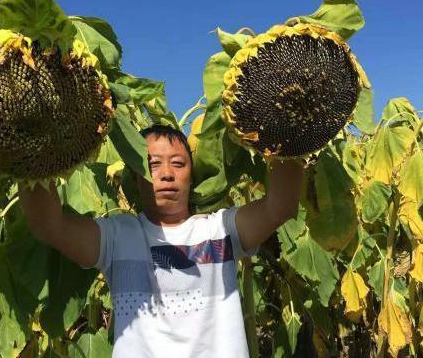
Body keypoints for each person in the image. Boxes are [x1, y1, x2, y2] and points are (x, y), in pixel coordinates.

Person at [18, 124, 304, 358]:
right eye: (153, 164)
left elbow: (280, 206)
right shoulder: (118, 237)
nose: (167, 174)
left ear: (191, 176)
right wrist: (30, 140)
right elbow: (48, 225)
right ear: (136, 174)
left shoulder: (220, 231)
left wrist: (286, 121)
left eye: (178, 164)